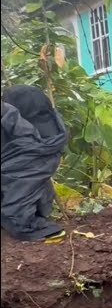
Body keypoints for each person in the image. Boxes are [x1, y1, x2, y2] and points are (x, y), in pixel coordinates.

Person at [1, 85, 69, 243]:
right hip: (42, 156)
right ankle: (31, 217)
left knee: (23, 184)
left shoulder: (13, 119)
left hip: (27, 159)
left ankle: (26, 222)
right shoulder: (52, 123)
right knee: (32, 183)